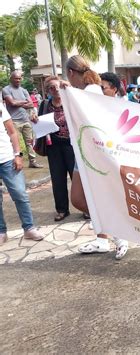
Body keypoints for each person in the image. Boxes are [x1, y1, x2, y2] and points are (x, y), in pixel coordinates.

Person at [65, 55, 129, 260]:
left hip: (93, 153)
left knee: (84, 198)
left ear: (71, 73)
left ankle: (118, 235)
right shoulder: (82, 91)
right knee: (82, 199)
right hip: (83, 151)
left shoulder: (91, 91)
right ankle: (104, 238)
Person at [0, 100, 45, 245]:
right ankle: (1, 231)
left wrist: (17, 154)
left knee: (20, 193)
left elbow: (12, 132)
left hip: (6, 157)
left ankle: (29, 227)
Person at [38, 76, 75, 222]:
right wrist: (35, 120)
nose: (56, 90)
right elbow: (40, 123)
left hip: (71, 145)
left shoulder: (70, 102)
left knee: (77, 177)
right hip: (53, 146)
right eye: (52, 88)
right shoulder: (45, 104)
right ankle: (62, 210)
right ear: (47, 90)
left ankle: (85, 208)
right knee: (58, 179)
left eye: (57, 86)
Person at [2, 71, 43, 168]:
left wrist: (18, 102)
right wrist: (24, 102)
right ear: (11, 78)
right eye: (16, 78)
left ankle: (32, 161)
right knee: (16, 143)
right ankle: (17, 161)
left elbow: (31, 104)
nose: (18, 80)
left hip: (26, 119)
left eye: (19, 78)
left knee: (29, 142)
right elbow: (12, 103)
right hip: (13, 121)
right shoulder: (6, 89)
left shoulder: (24, 90)